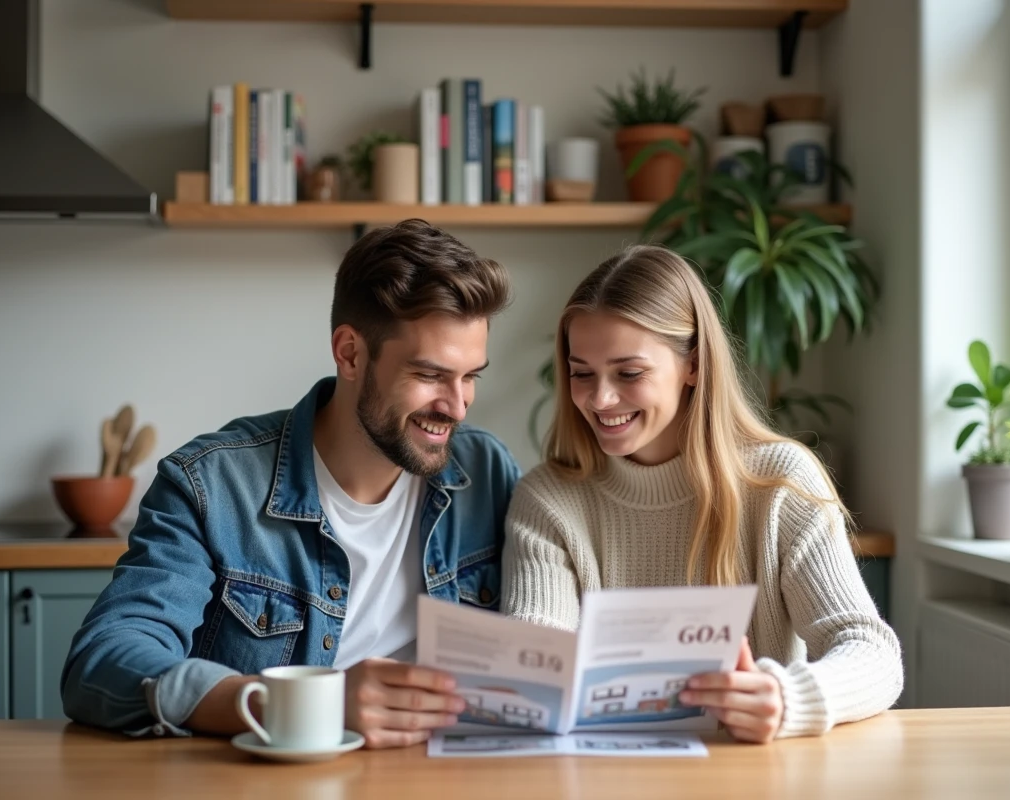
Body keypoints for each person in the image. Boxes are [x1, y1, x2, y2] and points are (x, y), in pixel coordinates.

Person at [62, 219, 520, 749]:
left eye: (471, 377)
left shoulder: (486, 471)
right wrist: (307, 705)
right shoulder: (212, 486)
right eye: (429, 375)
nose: (457, 406)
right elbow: (103, 665)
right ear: (350, 353)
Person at [503, 244, 903, 743]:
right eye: (582, 373)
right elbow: (536, 663)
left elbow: (871, 650)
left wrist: (788, 698)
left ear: (693, 365)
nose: (601, 399)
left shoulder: (780, 484)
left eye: (629, 373)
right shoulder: (548, 500)